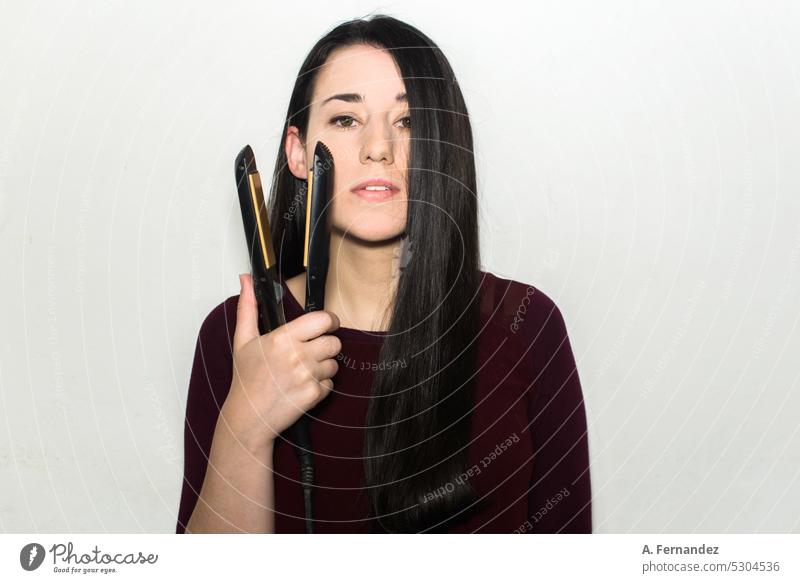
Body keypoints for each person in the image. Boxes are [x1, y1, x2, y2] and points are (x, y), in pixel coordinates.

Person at [176, 14, 591, 534]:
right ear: (298, 152)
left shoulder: (526, 325)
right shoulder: (237, 334)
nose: (379, 148)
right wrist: (245, 422)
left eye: (409, 121)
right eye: (346, 120)